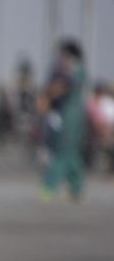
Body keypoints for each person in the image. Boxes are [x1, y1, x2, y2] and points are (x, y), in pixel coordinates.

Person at [38, 39, 88, 202]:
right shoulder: (72, 70)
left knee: (62, 152)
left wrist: (46, 95)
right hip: (70, 115)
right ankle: (76, 188)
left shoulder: (75, 70)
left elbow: (62, 87)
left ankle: (49, 187)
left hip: (70, 117)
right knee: (72, 153)